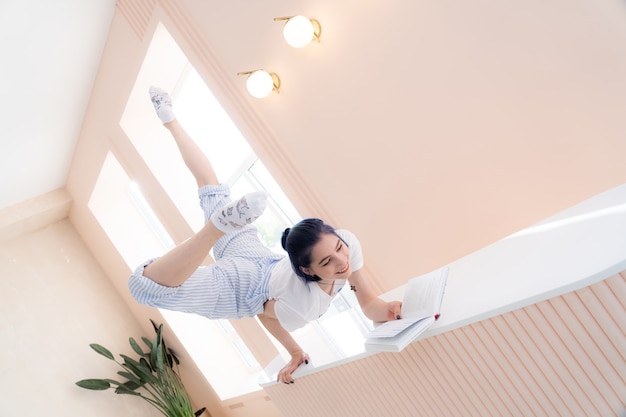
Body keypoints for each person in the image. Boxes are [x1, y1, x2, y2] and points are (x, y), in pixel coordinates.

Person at [129, 87, 403, 384]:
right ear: (306, 269)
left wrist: (387, 309)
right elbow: (263, 312)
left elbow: (368, 303)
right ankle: (214, 227)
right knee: (145, 288)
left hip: (257, 259)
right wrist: (296, 350)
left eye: (339, 248)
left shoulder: (346, 244)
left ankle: (170, 120)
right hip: (244, 282)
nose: (342, 261)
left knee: (209, 184)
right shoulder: (305, 304)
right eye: (328, 260)